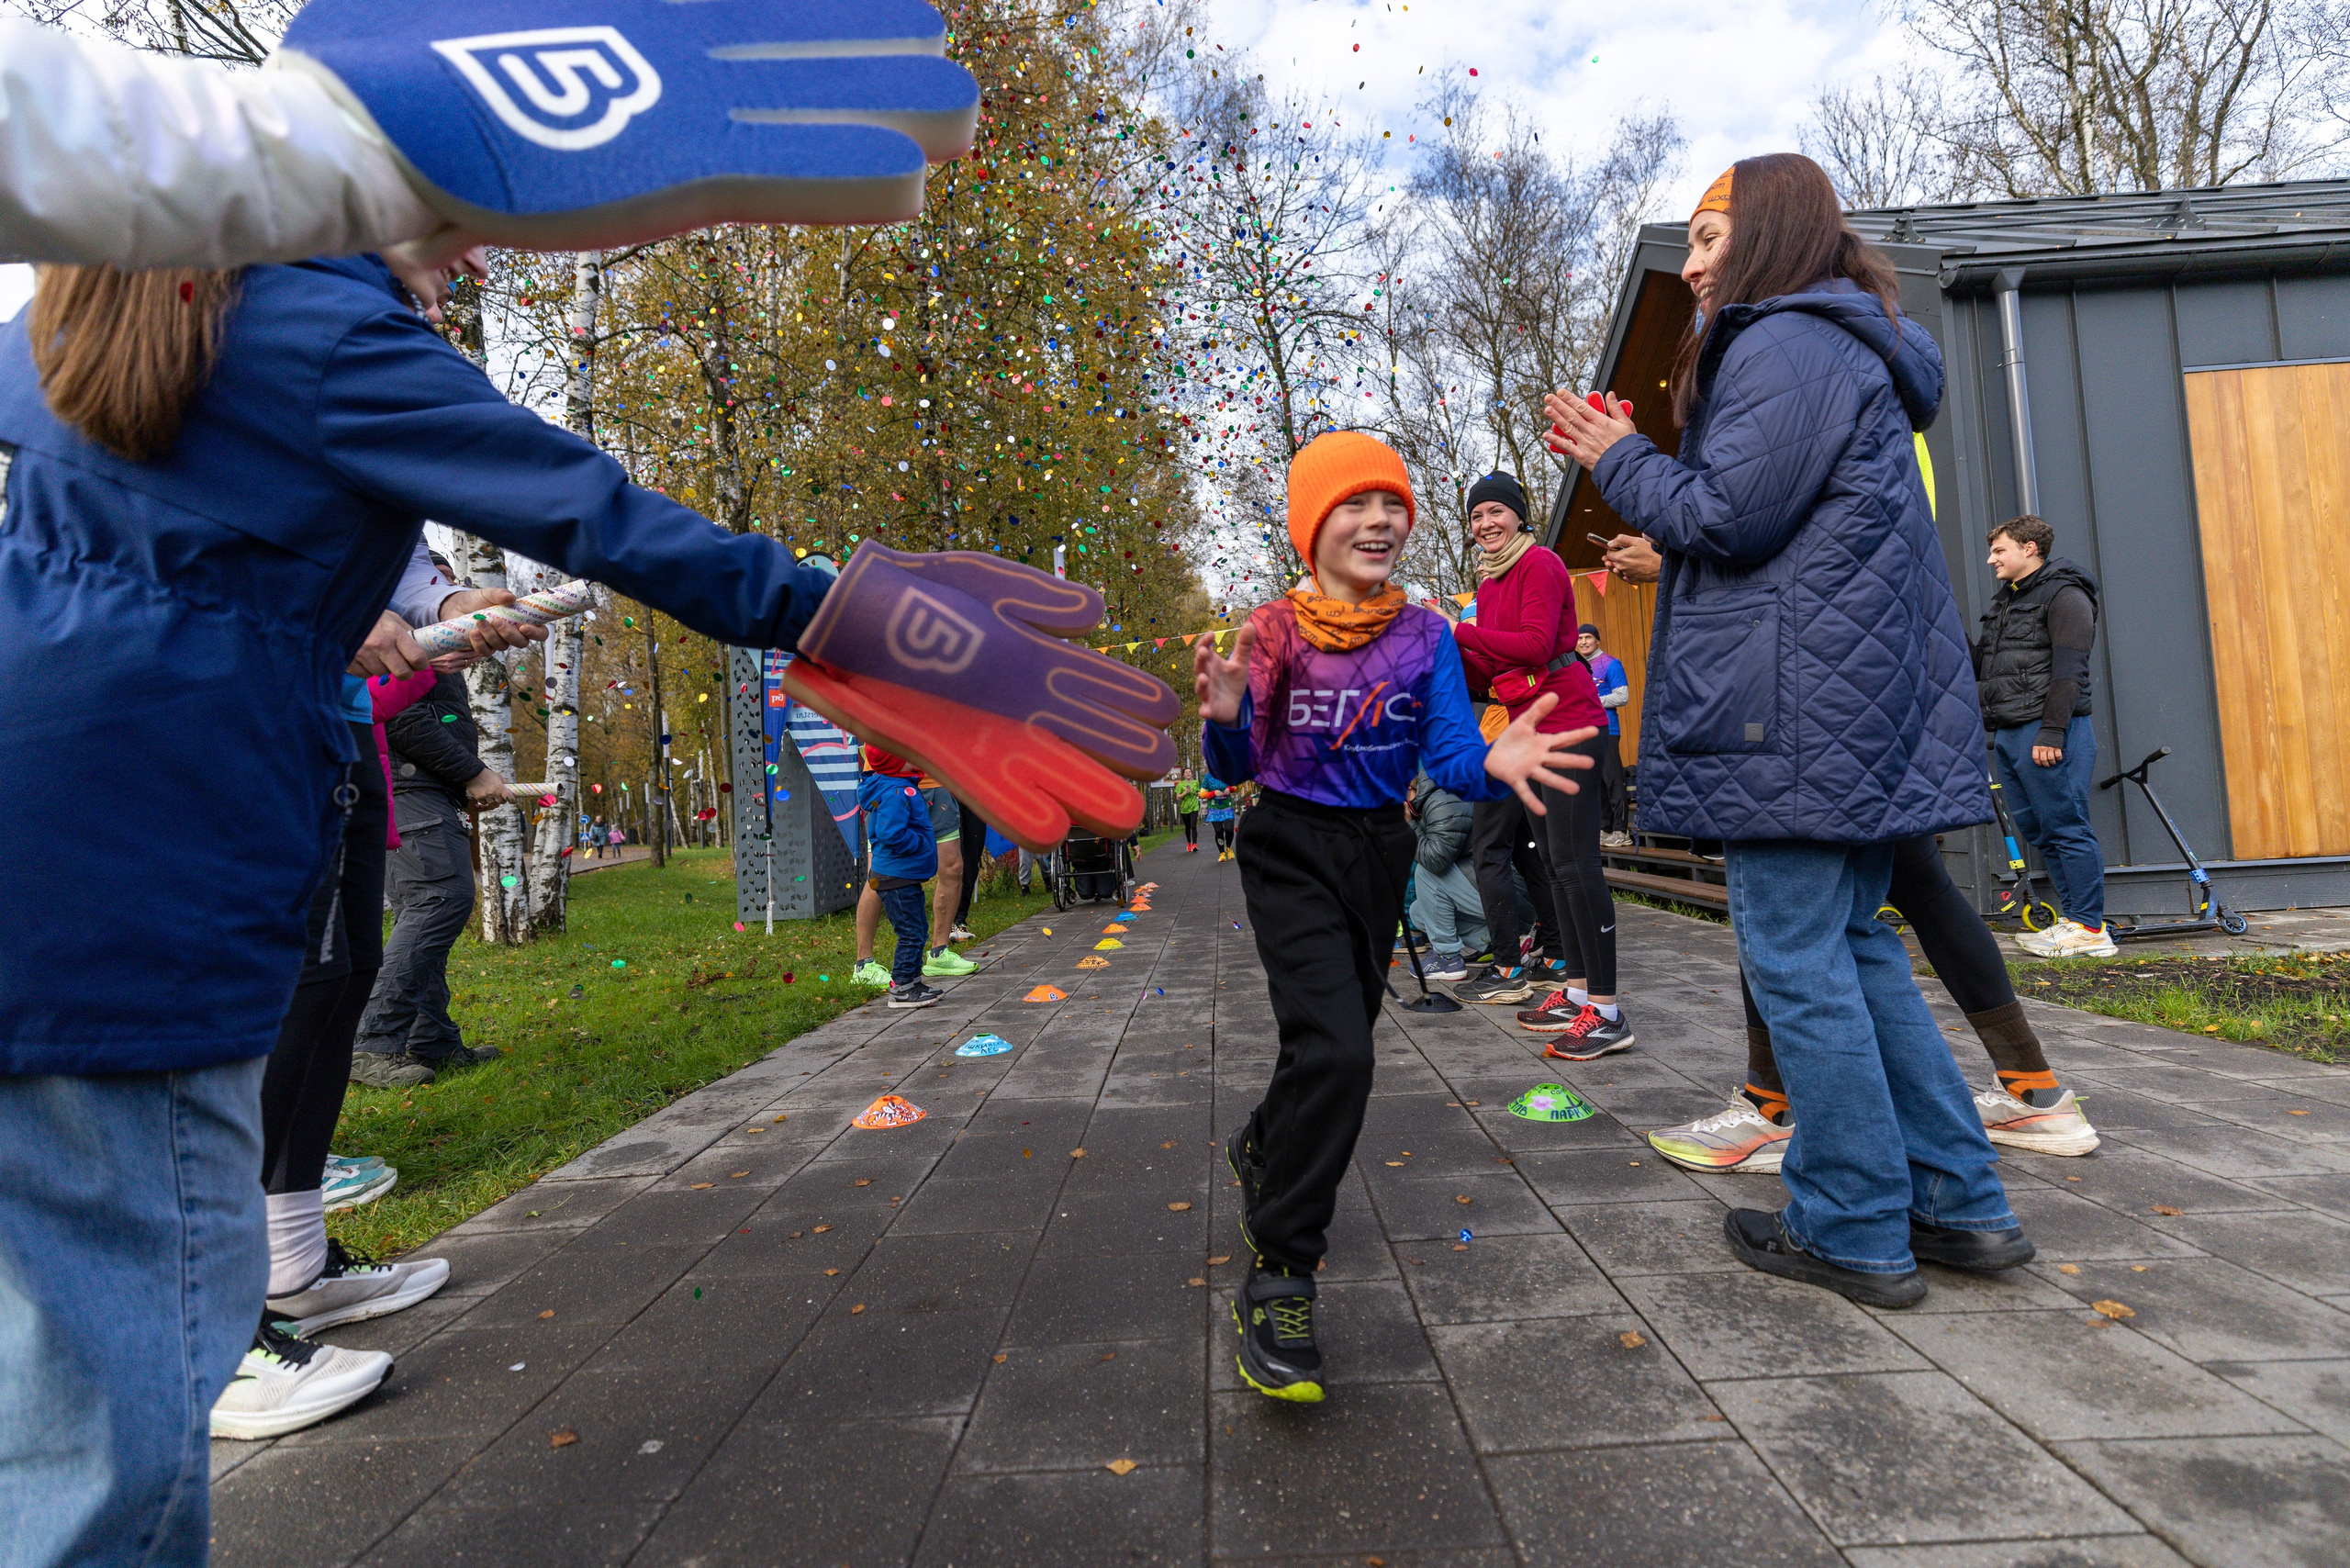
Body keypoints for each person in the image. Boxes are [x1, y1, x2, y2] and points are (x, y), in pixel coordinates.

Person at [0, 252, 836, 1568]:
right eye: (455, 210)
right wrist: (864, 620)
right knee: (122, 1420)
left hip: (46, 824)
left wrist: (373, 609)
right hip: (143, 859)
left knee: (58, 1355)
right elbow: (599, 511)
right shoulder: (328, 326)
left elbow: (202, 532)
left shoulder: (105, 310)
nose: (478, 253)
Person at [1550, 153, 2031, 1309]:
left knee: (1796, 960)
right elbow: (1785, 529)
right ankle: (1955, 1199)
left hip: (1793, 715)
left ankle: (1851, 1220)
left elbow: (1729, 514)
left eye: (1711, 237)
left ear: (1769, 233)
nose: (1692, 264)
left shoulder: (1783, 340)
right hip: (1842, 705)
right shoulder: (1840, 340)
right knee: (1853, 948)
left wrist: (1618, 458)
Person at [1196, 431, 1592, 1402]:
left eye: (1394, 507)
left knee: (1327, 1042)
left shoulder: (1423, 635)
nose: (1380, 522)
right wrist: (1223, 714)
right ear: (1311, 524)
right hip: (1288, 845)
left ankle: (1264, 1143)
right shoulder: (1272, 630)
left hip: (1379, 850)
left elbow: (1448, 752)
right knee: (1339, 1049)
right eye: (1356, 505)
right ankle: (1282, 1268)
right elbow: (1236, 768)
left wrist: (1491, 760)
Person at [1647, 834, 2101, 1170]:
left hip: (1798, 758)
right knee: (1924, 889)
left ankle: (1774, 1112)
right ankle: (2032, 1087)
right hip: (1887, 749)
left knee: (1776, 909)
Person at [1451, 472, 1631, 1059]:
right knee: (1554, 865)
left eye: (1495, 512)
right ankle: (1576, 994)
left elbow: (1533, 645)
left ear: (1519, 516)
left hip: (1571, 724)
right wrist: (1446, 652)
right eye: (1476, 516)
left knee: (1577, 864)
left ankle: (1607, 1012)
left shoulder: (1542, 564)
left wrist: (1463, 632)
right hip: (1527, 731)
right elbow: (1489, 675)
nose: (1485, 524)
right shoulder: (1490, 582)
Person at [351, 663, 511, 1088]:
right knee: (439, 900)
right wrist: (472, 772)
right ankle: (372, 1044)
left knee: (424, 912)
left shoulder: (421, 638)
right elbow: (399, 715)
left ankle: (431, 1039)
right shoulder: (409, 634)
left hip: (414, 790)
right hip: (411, 791)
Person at [1978, 516, 2113, 958]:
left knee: (2067, 826)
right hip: (2011, 732)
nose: (1991, 559)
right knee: (2041, 830)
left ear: (2029, 548)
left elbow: (2070, 670)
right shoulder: (2008, 601)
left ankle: (2090, 929)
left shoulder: (2066, 595)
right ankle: (2072, 921)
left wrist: (2052, 732)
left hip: (2048, 730)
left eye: (1999, 550)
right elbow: (1984, 665)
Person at [859, 746, 946, 1010]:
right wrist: (918, 843)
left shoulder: (897, 785)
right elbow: (889, 833)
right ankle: (902, 990)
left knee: (917, 930)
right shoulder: (896, 791)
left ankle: (913, 982)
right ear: (895, 762)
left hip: (903, 875)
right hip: (896, 875)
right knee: (910, 933)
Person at [1407, 772, 1496, 983]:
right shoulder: (1422, 801)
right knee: (1419, 912)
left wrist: (1408, 825)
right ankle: (1500, 942)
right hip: (1485, 885)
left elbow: (1435, 861)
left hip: (1508, 894)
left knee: (1426, 873)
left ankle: (1448, 959)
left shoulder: (1443, 798)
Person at [1578, 623, 1633, 844]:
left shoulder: (1611, 663)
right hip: (1586, 731)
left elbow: (1622, 696)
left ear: (1597, 640)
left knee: (1612, 779)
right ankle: (1606, 828)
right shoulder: (1578, 666)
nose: (1583, 642)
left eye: (1588, 637)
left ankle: (1621, 831)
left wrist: (1592, 701)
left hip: (1608, 729)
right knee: (1597, 782)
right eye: (1580, 638)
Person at [1202, 772, 1238, 859]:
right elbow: (1202, 794)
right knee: (1218, 831)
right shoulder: (1208, 777)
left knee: (1229, 829)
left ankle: (1229, 848)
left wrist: (1229, 789)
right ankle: (1222, 853)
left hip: (1227, 806)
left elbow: (1235, 787)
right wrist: (1213, 793)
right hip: (1214, 808)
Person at [1176, 771, 1203, 852]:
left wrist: (1200, 794)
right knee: (1188, 827)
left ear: (1192, 774)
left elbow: (1198, 792)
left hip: (1194, 807)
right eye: (1186, 772)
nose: (1188, 774)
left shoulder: (1196, 783)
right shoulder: (1180, 785)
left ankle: (1194, 844)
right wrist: (1185, 792)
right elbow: (1178, 797)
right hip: (1185, 809)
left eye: (1189, 772)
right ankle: (1189, 843)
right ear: (1184, 775)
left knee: (1193, 826)